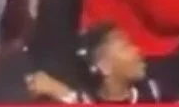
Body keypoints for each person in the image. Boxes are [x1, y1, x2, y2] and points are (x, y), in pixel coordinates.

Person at [27, 23, 160, 104]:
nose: (137, 50)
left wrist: (64, 93)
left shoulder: (152, 92)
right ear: (104, 66)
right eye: (125, 47)